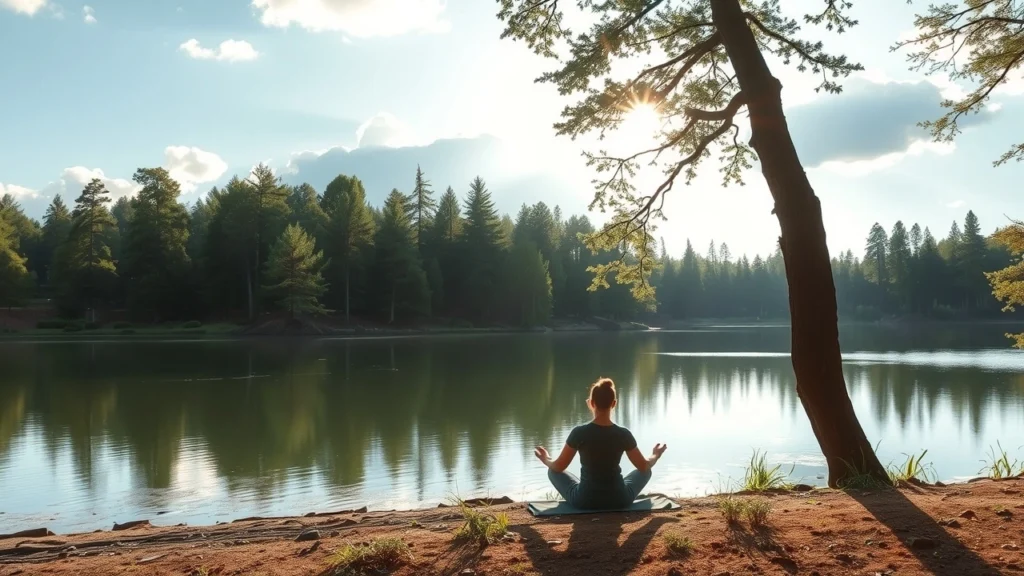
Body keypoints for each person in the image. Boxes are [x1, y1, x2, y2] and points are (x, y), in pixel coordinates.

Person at [534, 377, 667, 509]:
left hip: (585, 500)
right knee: (646, 471)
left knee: (552, 472)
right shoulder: (623, 434)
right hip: (619, 499)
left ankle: (589, 488)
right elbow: (644, 467)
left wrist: (546, 459)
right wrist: (655, 455)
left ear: (591, 403)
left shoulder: (579, 433)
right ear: (614, 403)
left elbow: (558, 467)